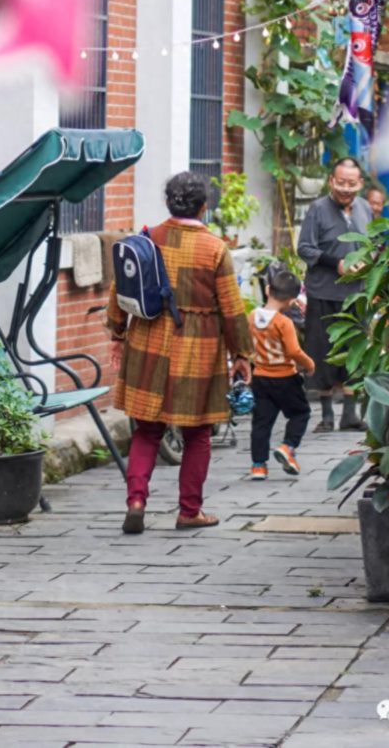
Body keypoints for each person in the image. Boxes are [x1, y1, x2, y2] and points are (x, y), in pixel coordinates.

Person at [107, 171, 253, 534]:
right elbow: (232, 310)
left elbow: (119, 292)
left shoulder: (148, 240)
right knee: (198, 433)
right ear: (204, 207)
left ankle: (136, 502)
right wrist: (242, 355)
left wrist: (118, 334)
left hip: (147, 340)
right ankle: (189, 511)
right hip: (198, 346)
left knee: (146, 431)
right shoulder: (215, 249)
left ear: (169, 203)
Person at [297, 157, 372, 432]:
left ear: (360, 184)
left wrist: (369, 259)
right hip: (324, 292)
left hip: (357, 294)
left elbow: (372, 244)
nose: (345, 189)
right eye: (340, 182)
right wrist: (336, 264)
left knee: (355, 352)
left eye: (351, 184)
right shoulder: (317, 209)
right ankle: (327, 416)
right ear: (331, 181)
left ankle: (349, 415)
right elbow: (304, 248)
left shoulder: (365, 208)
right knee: (322, 351)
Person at [248, 266, 314, 481]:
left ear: (268, 290)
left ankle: (258, 466)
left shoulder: (252, 316)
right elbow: (294, 351)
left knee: (261, 422)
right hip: (285, 378)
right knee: (300, 413)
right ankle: (288, 446)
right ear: (292, 301)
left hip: (260, 378)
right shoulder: (284, 322)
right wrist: (309, 364)